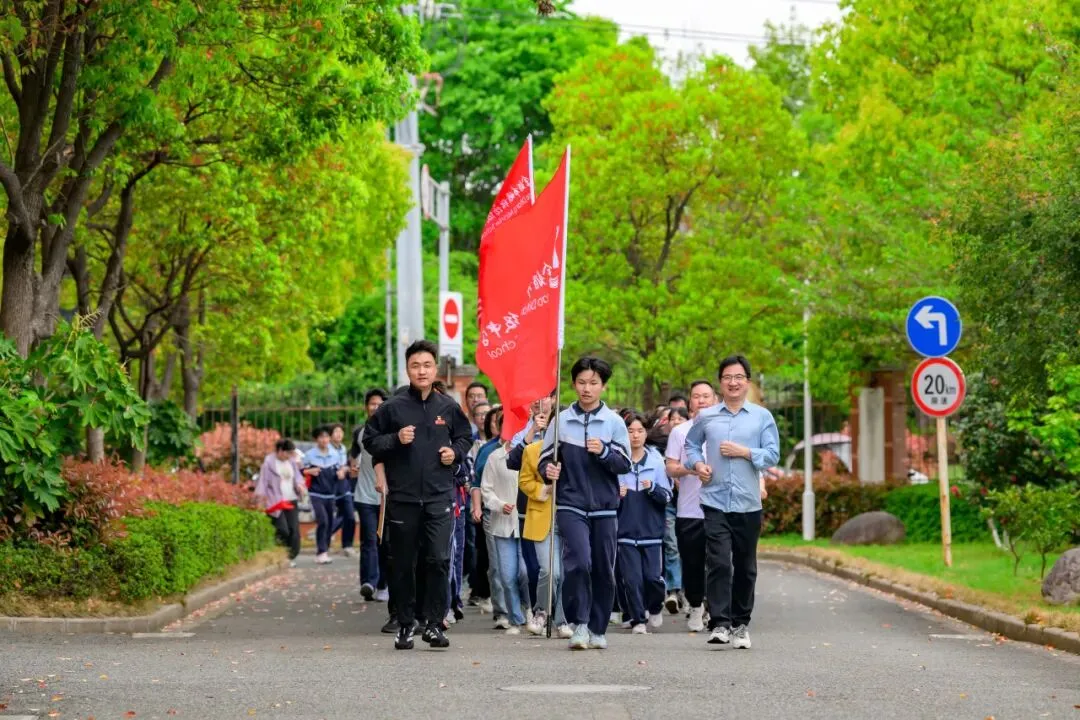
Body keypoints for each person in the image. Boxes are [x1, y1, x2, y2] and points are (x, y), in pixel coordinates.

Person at [363, 340, 473, 651]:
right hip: (404, 499)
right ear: (407, 369)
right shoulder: (393, 408)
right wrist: (396, 439)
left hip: (439, 497)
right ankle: (405, 624)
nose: (421, 371)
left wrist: (455, 452)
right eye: (415, 366)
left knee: (438, 560)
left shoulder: (448, 406)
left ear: (434, 368)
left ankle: (435, 624)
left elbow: (465, 437)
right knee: (403, 563)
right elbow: (370, 440)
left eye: (426, 365)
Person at [686, 355, 779, 650]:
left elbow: (772, 454)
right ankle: (720, 624)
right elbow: (690, 445)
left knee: (745, 566)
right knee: (717, 562)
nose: (733, 382)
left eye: (739, 377)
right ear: (721, 382)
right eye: (728, 377)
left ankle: (741, 624)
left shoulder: (762, 417)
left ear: (747, 382)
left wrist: (745, 452)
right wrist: (698, 465)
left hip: (748, 503)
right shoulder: (707, 416)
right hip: (714, 500)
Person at [539, 356, 631, 650]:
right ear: (573, 384)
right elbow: (544, 460)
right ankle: (579, 623)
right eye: (581, 382)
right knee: (579, 561)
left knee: (603, 567)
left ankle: (598, 628)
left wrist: (604, 451)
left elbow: (625, 464)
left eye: (593, 383)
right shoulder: (562, 421)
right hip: (570, 503)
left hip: (605, 506)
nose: (586, 388)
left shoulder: (615, 423)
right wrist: (548, 470)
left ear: (603, 386)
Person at [666, 381, 716, 631]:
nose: (702, 400)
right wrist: (693, 468)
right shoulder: (680, 432)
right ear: (689, 402)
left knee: (719, 563)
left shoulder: (725, 429)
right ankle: (696, 606)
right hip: (689, 510)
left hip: (720, 509)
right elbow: (671, 467)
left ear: (715, 399)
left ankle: (716, 611)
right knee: (693, 563)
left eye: (706, 396)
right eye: (696, 396)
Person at [617, 414, 672, 634]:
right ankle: (638, 620)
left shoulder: (656, 461)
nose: (635, 436)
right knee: (631, 580)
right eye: (630, 431)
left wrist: (652, 489)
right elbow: (606, 497)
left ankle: (655, 605)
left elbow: (667, 495)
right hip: (625, 530)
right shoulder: (618, 462)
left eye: (639, 431)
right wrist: (616, 494)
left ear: (646, 433)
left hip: (651, 530)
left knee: (652, 577)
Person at [518, 438, 573, 638]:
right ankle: (540, 611)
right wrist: (544, 489)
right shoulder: (532, 450)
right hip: (542, 517)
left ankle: (562, 620)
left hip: (570, 517)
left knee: (566, 573)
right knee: (550, 571)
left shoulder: (575, 450)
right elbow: (524, 481)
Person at [481, 437, 529, 634]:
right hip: (503, 524)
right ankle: (515, 619)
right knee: (507, 576)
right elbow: (486, 489)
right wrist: (500, 505)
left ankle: (533, 610)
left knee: (525, 573)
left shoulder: (531, 452)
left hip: (527, 524)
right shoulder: (495, 457)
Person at [351, 389, 388, 601]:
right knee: (368, 540)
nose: (376, 407)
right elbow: (353, 455)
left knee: (384, 542)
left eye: (379, 404)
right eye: (372, 403)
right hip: (364, 496)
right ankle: (368, 582)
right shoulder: (360, 432)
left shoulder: (392, 431)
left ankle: (383, 584)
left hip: (386, 497)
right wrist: (352, 466)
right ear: (366, 406)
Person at [255, 439, 306, 566]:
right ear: (280, 451)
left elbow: (298, 478)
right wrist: (259, 501)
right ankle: (280, 552)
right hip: (276, 502)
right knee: (283, 529)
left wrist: (300, 485)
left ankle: (290, 556)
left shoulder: (292, 462)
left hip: (291, 499)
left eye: (291, 454)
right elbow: (262, 483)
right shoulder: (268, 464)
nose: (289, 456)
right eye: (287, 453)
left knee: (293, 529)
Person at [303, 427, 348, 565]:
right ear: (316, 439)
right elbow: (301, 471)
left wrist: (342, 472)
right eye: (321, 437)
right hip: (315, 493)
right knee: (322, 520)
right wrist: (310, 471)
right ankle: (321, 551)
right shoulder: (309, 455)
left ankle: (324, 551)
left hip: (330, 494)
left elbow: (342, 468)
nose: (324, 440)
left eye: (326, 437)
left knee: (329, 523)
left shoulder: (335, 454)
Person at [329, 422, 356, 557]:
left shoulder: (343, 448)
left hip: (344, 488)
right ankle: (324, 537)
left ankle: (347, 545)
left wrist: (345, 469)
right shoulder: (327, 449)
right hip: (330, 488)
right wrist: (336, 471)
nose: (339, 434)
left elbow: (344, 465)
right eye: (335, 432)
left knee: (349, 515)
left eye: (340, 431)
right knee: (332, 516)